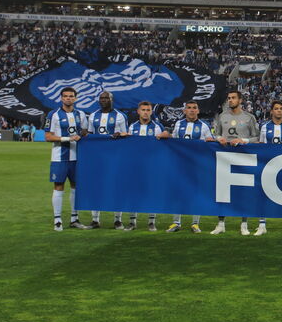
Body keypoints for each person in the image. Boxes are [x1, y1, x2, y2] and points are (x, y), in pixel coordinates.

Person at [210, 90, 260, 235]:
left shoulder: (249, 117)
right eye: (229, 98)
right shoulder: (222, 116)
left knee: (244, 191)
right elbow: (216, 133)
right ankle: (221, 223)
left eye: (233, 98)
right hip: (225, 157)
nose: (230, 100)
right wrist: (219, 138)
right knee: (222, 191)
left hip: (243, 157)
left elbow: (256, 137)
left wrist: (242, 140)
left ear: (240, 100)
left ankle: (244, 224)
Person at [44, 86, 90, 231]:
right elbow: (48, 136)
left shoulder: (81, 114)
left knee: (76, 187)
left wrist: (83, 135)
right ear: (61, 98)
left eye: (71, 96)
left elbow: (84, 131)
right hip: (59, 157)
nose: (68, 98)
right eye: (65, 96)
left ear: (75, 98)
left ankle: (74, 219)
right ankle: (57, 220)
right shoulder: (53, 115)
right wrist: (68, 138)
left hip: (77, 157)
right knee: (58, 186)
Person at [166, 100, 214, 234]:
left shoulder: (204, 126)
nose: (192, 110)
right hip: (180, 164)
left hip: (196, 165)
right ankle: (176, 223)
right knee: (178, 193)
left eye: (194, 108)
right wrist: (167, 135)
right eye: (189, 108)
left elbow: (210, 144)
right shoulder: (178, 124)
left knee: (195, 193)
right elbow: (174, 142)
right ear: (184, 111)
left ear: (198, 111)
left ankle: (195, 224)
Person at [122, 101, 169, 231]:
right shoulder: (132, 127)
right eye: (143, 110)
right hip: (135, 165)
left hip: (152, 165)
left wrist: (165, 134)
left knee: (151, 192)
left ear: (151, 112)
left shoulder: (157, 127)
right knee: (133, 192)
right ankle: (132, 222)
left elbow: (167, 136)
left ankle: (151, 222)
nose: (145, 112)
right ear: (138, 111)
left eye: (148, 110)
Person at [87, 90, 128, 229]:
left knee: (116, 187)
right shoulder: (93, 116)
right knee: (96, 187)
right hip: (97, 157)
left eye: (106, 98)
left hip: (115, 157)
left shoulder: (120, 116)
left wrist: (120, 134)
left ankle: (117, 219)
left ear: (112, 100)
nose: (103, 100)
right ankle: (95, 220)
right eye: (101, 98)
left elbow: (126, 134)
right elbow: (90, 136)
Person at [256, 100, 282, 236]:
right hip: (268, 165)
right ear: (271, 111)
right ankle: (262, 225)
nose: (279, 110)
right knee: (263, 195)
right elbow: (261, 145)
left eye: (281, 108)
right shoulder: (265, 127)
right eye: (276, 108)